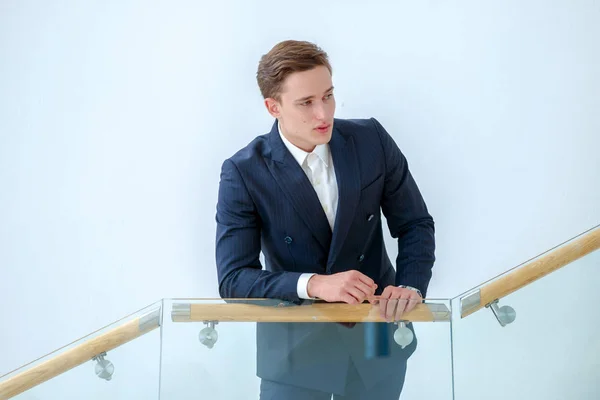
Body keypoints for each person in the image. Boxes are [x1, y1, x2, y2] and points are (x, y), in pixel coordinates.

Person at [215, 40, 435, 400]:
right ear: (274, 107)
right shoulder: (244, 171)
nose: (324, 114)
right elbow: (233, 278)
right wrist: (314, 284)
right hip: (295, 346)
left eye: (328, 96)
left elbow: (415, 224)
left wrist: (410, 287)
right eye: (306, 103)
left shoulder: (371, 140)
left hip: (377, 335)